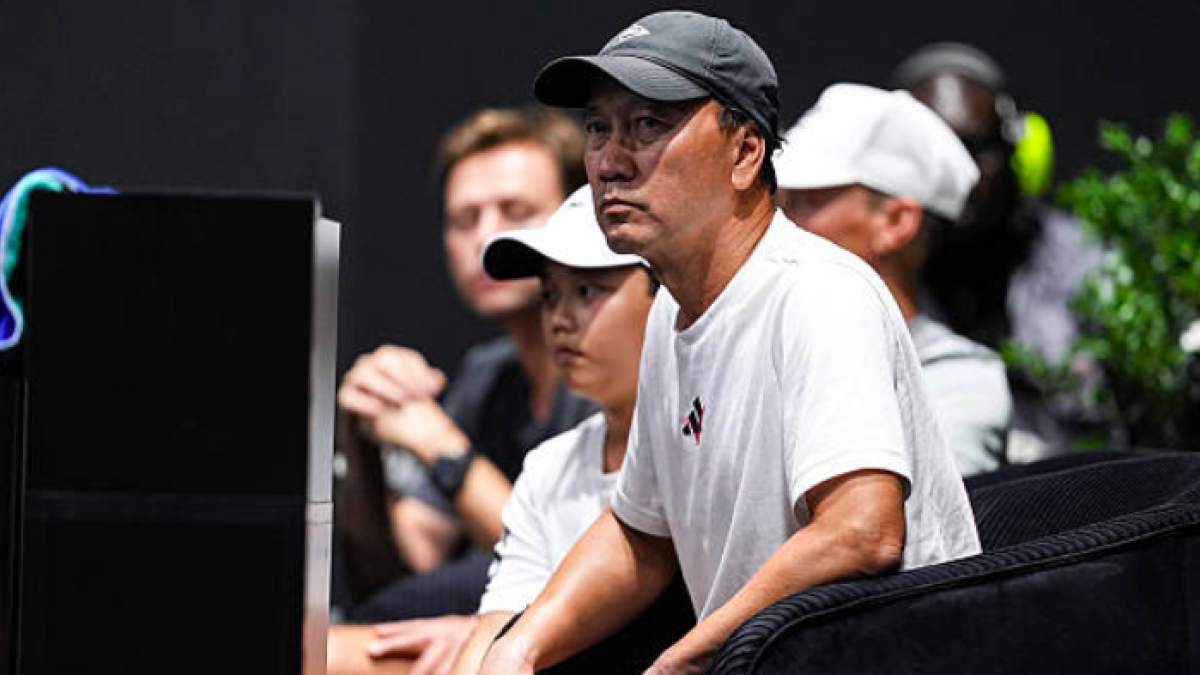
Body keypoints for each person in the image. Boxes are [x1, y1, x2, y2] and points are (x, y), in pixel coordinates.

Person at [478, 11, 981, 675]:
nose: (608, 161)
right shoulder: (670, 311)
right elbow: (640, 531)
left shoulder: (817, 293)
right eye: (599, 128)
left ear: (745, 153)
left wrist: (681, 662)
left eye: (647, 125)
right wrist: (516, 646)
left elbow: (862, 531)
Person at [329, 188, 662, 675]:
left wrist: (440, 445)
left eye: (587, 291)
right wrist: (361, 439)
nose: (560, 318)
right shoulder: (546, 460)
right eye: (549, 294)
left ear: (668, 295)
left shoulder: (692, 444)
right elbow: (496, 613)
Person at [334, 107, 595, 624]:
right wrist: (361, 436)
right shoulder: (488, 373)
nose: (486, 238)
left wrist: (440, 445)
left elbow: (571, 565)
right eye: (465, 220)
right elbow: (408, 563)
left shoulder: (612, 366)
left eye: (515, 211)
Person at [774, 82, 1013, 476]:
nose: (777, 220)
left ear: (896, 222)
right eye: (779, 199)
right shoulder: (757, 343)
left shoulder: (955, 382)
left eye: (806, 201)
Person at [892, 43, 1106, 458]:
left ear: (1018, 152)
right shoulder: (872, 279)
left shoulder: (1085, 263)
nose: (961, 174)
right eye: (936, 153)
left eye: (974, 148)